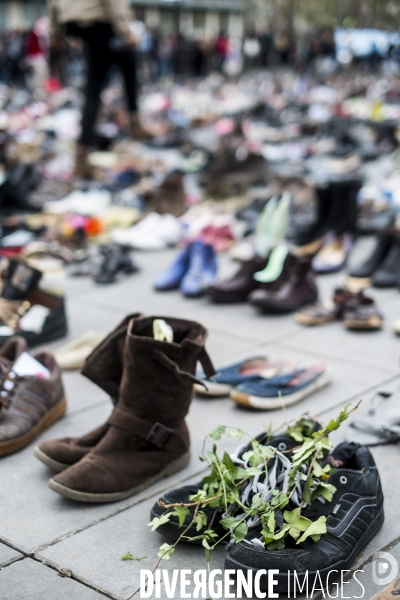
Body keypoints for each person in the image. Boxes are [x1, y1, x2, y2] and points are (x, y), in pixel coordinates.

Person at [48, 0, 153, 178]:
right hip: (98, 22)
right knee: (126, 63)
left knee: (94, 88)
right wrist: (127, 32)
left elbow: (53, 4)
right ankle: (134, 123)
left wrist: (55, 32)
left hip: (72, 22)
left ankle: (81, 155)